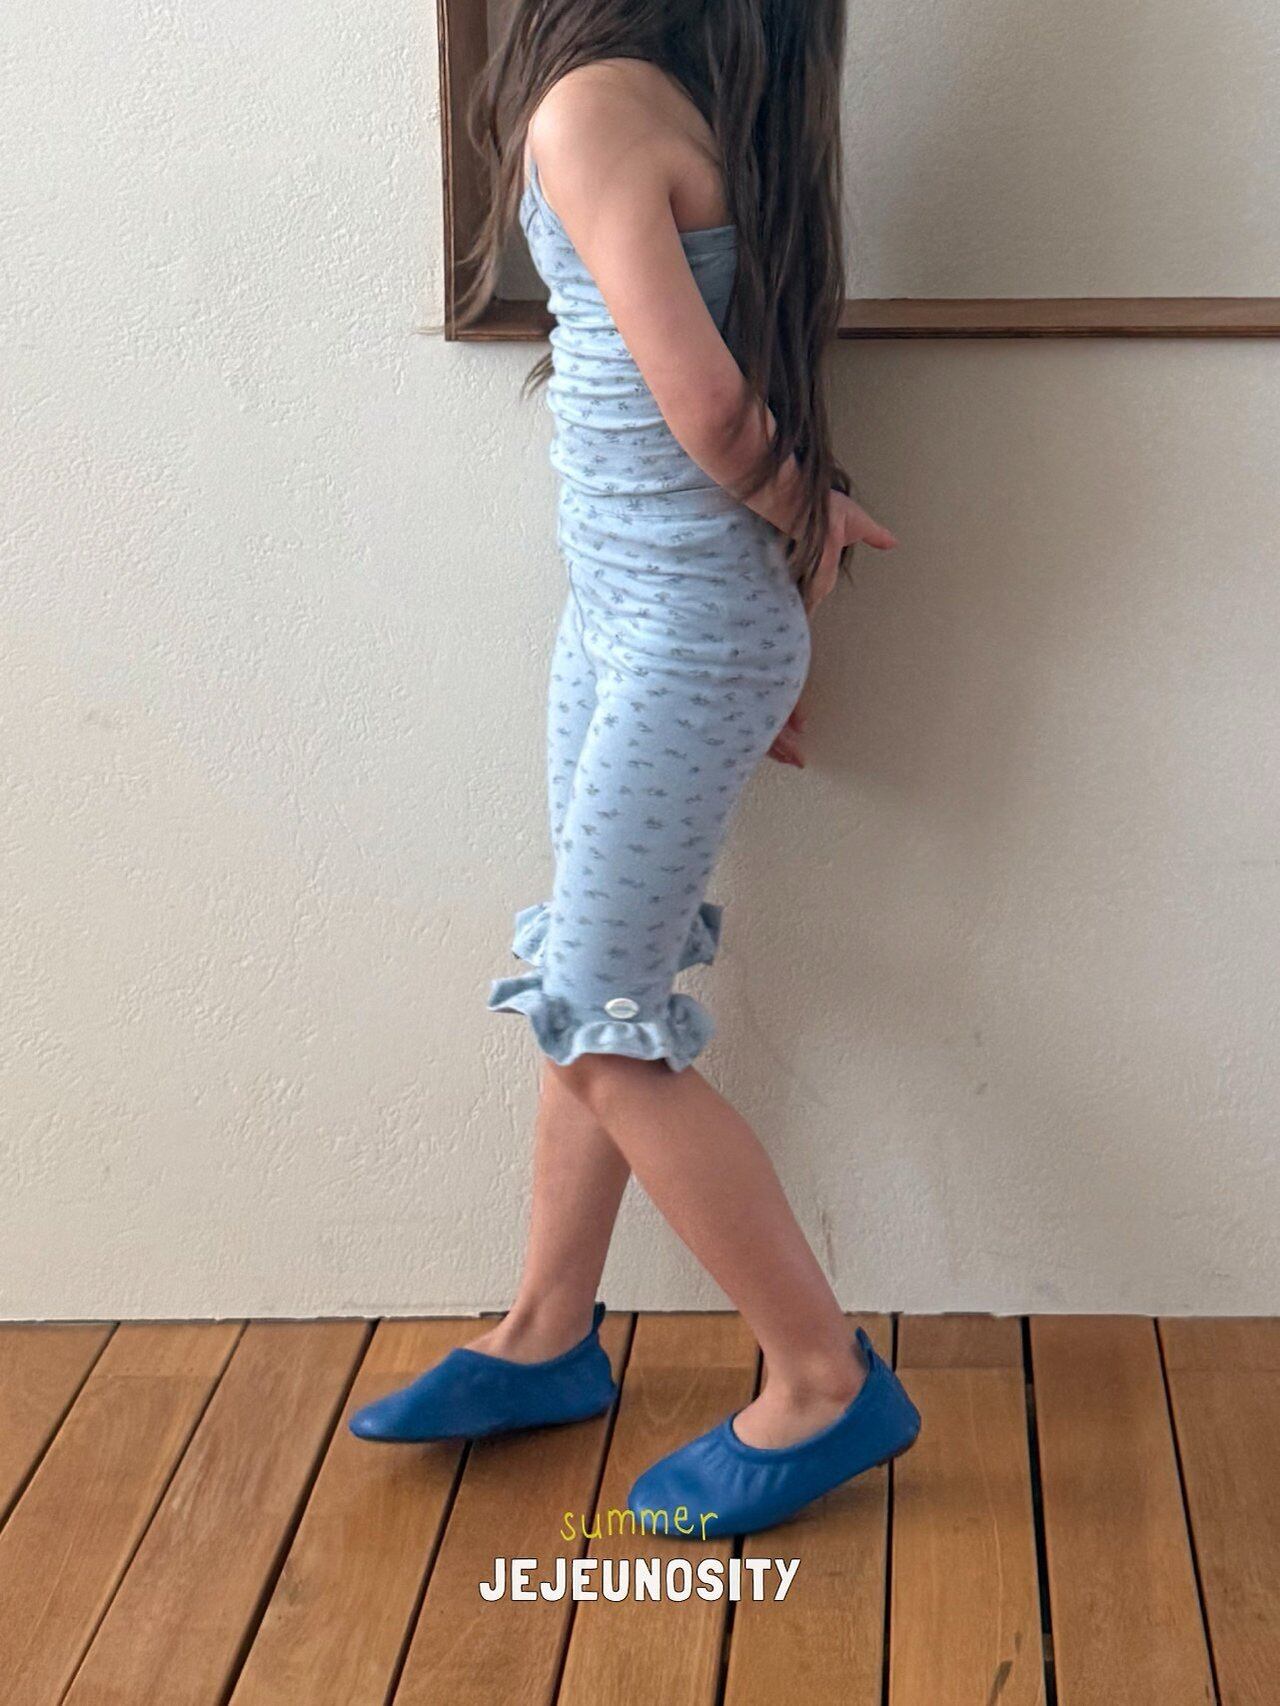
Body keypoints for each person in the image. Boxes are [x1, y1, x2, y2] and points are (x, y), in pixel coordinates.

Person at [351, 0, 921, 1537]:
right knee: (589, 978)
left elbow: (717, 410)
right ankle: (548, 1331)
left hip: (679, 629)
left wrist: (804, 523)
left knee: (604, 1010)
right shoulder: (665, 95)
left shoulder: (593, 104)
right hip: (624, 619)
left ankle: (823, 1377)